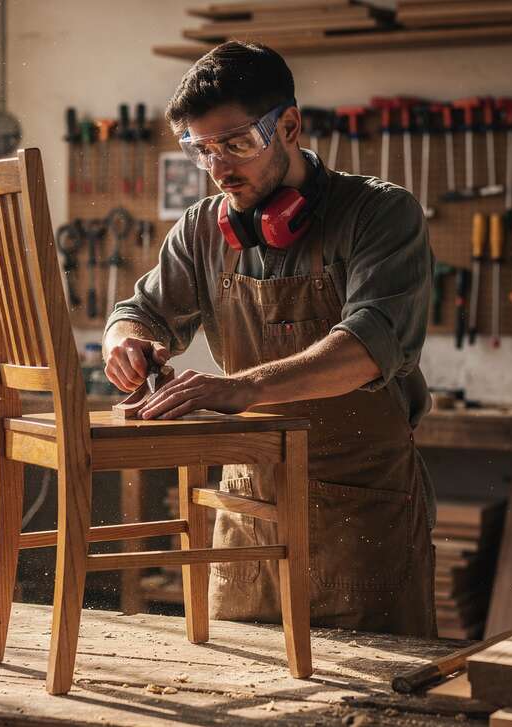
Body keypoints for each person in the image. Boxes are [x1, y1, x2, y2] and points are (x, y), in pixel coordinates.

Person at [103, 41, 435, 637]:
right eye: (202, 150)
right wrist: (126, 342)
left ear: (288, 125)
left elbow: (370, 343)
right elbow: (139, 310)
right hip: (246, 514)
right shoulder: (202, 227)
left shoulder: (379, 215)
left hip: (358, 511)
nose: (220, 168)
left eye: (236, 144)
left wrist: (241, 388)